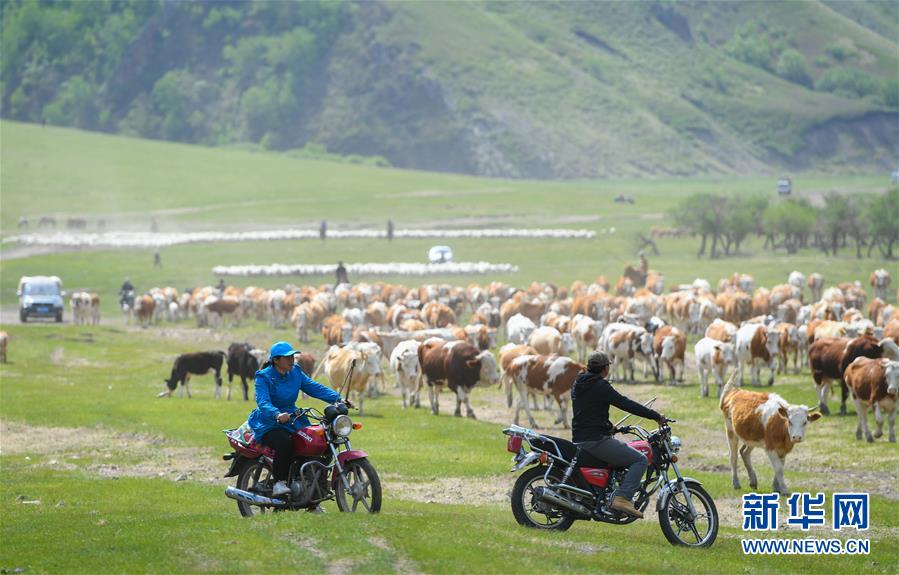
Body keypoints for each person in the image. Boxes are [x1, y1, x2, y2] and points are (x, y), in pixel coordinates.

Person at [247, 341, 351, 498]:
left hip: (293, 418)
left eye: (292, 356)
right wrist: (276, 414)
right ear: (276, 360)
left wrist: (338, 398)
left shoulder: (295, 372)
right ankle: (279, 483)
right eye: (287, 357)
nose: (292, 360)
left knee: (320, 442)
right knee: (285, 443)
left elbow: (314, 387)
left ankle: (313, 492)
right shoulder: (264, 377)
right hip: (269, 422)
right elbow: (263, 402)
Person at [571, 351, 666, 519]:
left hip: (581, 437)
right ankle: (622, 498)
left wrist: (608, 426)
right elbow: (625, 403)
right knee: (640, 460)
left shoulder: (578, 383)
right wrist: (655, 415)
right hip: (596, 440)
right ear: (605, 369)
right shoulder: (600, 386)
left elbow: (586, 412)